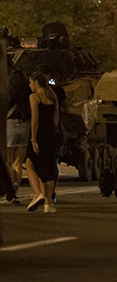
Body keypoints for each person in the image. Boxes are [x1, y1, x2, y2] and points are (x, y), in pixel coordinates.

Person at [23, 71, 61, 213]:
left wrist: (33, 139)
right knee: (50, 169)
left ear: (36, 82)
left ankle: (38, 193)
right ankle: (48, 204)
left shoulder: (34, 97)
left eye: (31, 82)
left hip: (39, 134)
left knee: (29, 163)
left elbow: (35, 120)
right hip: (51, 134)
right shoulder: (52, 97)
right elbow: (56, 118)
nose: (30, 85)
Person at [5, 68, 30, 204]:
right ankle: (15, 191)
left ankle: (10, 189)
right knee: (18, 163)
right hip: (25, 125)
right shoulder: (27, 93)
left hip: (10, 125)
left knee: (8, 161)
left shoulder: (9, 92)